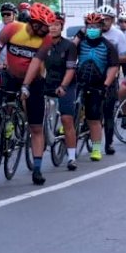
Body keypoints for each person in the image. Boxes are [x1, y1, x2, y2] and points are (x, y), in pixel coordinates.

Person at [0, 2, 57, 186]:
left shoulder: (46, 39)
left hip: (34, 81)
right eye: (43, 26)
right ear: (33, 22)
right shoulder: (11, 29)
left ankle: (38, 168)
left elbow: (35, 64)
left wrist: (26, 86)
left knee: (35, 127)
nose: (46, 30)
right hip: (11, 77)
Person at [72, 12, 119, 162]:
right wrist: (80, 34)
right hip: (80, 81)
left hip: (97, 85)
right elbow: (70, 49)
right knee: (69, 110)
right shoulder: (82, 42)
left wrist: (106, 85)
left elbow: (113, 67)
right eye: (89, 26)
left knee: (94, 117)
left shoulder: (108, 46)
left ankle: (97, 148)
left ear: (101, 28)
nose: (92, 29)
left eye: (96, 27)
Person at [42, 13, 78, 170]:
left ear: (61, 26)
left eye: (57, 24)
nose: (53, 27)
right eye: (50, 24)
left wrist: (63, 86)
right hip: (48, 82)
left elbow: (70, 69)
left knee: (66, 119)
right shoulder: (43, 44)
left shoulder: (69, 46)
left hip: (66, 84)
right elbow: (39, 66)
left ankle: (71, 157)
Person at [98, 6, 126, 155]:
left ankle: (109, 143)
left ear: (112, 21)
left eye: (107, 19)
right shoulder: (91, 32)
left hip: (110, 76)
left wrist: (110, 58)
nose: (104, 22)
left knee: (108, 111)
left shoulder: (118, 35)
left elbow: (125, 57)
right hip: (92, 76)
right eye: (102, 19)